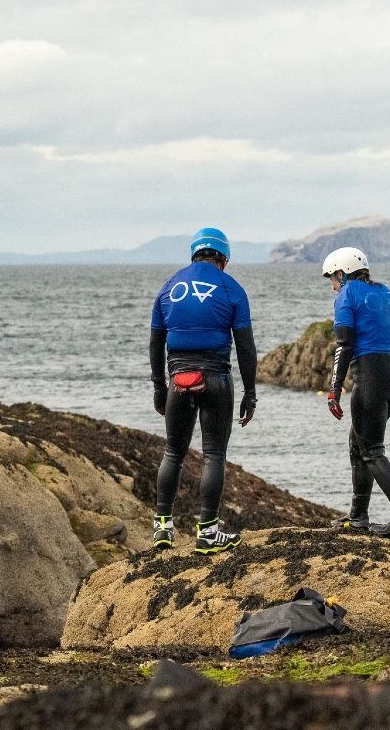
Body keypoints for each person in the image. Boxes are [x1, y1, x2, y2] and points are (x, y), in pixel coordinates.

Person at [150, 227, 257, 554]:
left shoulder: (169, 287)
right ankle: (208, 532)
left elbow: (156, 342)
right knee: (213, 454)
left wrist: (159, 386)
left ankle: (162, 528)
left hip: (178, 380)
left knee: (173, 452)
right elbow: (245, 347)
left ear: (195, 254)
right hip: (215, 380)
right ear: (223, 258)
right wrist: (250, 393)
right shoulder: (231, 288)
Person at [322, 246, 390, 537]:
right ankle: (359, 515)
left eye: (332, 279)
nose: (333, 286)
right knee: (358, 443)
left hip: (371, 376)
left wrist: (334, 389)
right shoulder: (384, 292)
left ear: (342, 273)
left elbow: (345, 345)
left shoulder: (346, 295)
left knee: (372, 450)